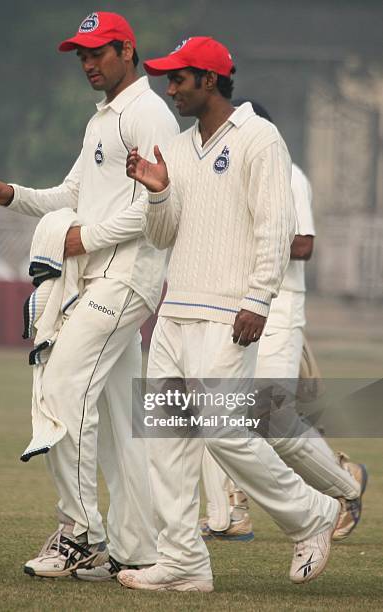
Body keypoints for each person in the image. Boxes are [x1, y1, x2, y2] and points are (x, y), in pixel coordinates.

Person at [0, 11, 179, 580]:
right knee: (120, 421)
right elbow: (71, 193)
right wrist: (10, 195)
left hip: (127, 278)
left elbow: (161, 198)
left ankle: (81, 534)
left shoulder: (148, 112)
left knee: (61, 386)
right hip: (98, 277)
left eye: (98, 52)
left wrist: (85, 238)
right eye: (81, 54)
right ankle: (137, 550)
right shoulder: (103, 117)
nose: (88, 63)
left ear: (127, 50)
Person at [121, 36, 340, 592]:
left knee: (224, 432)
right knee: (167, 444)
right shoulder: (179, 145)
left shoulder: (259, 139)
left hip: (228, 313)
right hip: (175, 313)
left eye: (179, 79)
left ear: (209, 81)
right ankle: (183, 564)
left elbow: (275, 228)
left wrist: (258, 300)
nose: (170, 89)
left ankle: (312, 514)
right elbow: (163, 236)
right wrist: (156, 193)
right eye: (168, 79)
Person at [200, 100, 367, 544]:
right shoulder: (233, 174)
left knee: (268, 416)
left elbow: (305, 244)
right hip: (239, 307)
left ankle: (345, 485)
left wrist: (251, 242)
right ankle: (233, 510)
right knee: (218, 406)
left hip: (280, 307)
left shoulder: (289, 174)